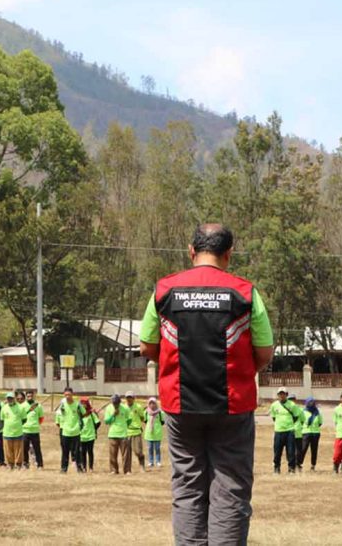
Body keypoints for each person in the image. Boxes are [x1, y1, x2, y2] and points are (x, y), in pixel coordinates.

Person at [138, 223, 274, 544]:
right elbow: (264, 352)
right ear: (229, 254)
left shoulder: (164, 291)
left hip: (179, 405)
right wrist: (240, 373)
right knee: (231, 488)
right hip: (233, 406)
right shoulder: (245, 293)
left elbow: (146, 346)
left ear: (191, 251)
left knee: (187, 488)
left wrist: (173, 367)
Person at [269, 388, 301, 474]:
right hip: (278, 431)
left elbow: (296, 416)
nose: (281, 396)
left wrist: (289, 424)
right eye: (280, 394)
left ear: (286, 395)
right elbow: (274, 417)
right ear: (278, 395)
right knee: (277, 451)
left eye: (283, 394)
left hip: (289, 431)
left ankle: (291, 469)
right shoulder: (274, 405)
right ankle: (276, 469)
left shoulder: (292, 405)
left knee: (290, 451)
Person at [55, 388, 84, 473]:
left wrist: (79, 423)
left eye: (69, 395)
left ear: (72, 394)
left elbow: (84, 413)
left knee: (77, 451)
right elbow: (58, 415)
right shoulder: (62, 405)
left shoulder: (77, 405)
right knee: (65, 452)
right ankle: (64, 468)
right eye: (66, 395)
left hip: (76, 431)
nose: (67, 396)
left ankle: (79, 468)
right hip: (65, 432)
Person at [105, 393, 133, 474]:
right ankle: (114, 470)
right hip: (112, 434)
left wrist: (124, 426)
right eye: (114, 403)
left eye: (117, 403)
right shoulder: (108, 408)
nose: (116, 405)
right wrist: (113, 415)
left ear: (120, 402)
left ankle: (127, 470)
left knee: (126, 454)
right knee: (113, 454)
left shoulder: (125, 408)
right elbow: (107, 421)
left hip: (123, 434)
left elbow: (129, 419)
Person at [1, 391, 26, 470]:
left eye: (11, 398)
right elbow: (2, 419)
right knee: (8, 450)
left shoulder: (20, 407)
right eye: (8, 398)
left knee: (18, 450)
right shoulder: (4, 408)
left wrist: (17, 425)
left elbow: (24, 419)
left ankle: (18, 465)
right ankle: (10, 464)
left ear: (14, 398)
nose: (10, 400)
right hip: (7, 432)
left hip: (18, 432)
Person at [298, 398, 323, 472]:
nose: (311, 404)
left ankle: (313, 465)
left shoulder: (317, 412)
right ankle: (299, 464)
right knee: (303, 449)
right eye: (310, 402)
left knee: (314, 450)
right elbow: (301, 421)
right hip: (306, 432)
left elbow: (320, 422)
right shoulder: (303, 412)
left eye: (313, 402)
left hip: (315, 433)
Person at [22, 389, 44, 469]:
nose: (30, 397)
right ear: (26, 397)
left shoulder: (38, 406)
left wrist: (36, 425)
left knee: (37, 448)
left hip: (35, 431)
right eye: (28, 396)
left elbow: (41, 418)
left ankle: (40, 464)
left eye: (31, 396)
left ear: (33, 396)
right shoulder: (22, 406)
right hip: (25, 430)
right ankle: (25, 464)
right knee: (24, 449)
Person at [125, 392, 148, 470]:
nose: (129, 399)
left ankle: (142, 465)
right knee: (127, 452)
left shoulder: (138, 407)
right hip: (126, 432)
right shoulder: (124, 407)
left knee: (138, 451)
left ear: (133, 398)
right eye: (127, 397)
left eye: (130, 397)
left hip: (136, 431)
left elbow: (142, 418)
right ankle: (128, 469)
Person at [79, 397, 101, 472]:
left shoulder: (91, 413)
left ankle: (91, 467)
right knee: (83, 452)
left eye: (84, 403)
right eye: (82, 403)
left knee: (90, 451)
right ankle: (84, 467)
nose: (83, 405)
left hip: (90, 436)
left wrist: (94, 429)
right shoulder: (79, 414)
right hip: (82, 436)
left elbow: (98, 422)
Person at [144, 397, 165, 468]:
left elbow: (162, 422)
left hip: (157, 433)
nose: (152, 405)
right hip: (149, 434)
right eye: (150, 403)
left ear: (156, 404)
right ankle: (151, 462)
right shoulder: (146, 412)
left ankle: (158, 461)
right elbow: (145, 421)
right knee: (150, 448)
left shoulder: (160, 413)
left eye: (153, 403)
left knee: (157, 448)